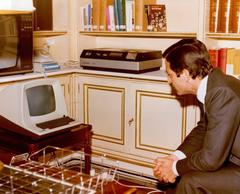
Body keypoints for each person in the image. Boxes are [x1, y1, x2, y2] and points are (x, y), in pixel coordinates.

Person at [153, 38, 240, 194]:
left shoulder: (221, 92)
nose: (168, 80)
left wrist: (174, 169)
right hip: (233, 158)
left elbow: (210, 159)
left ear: (185, 74)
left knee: (189, 181)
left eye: (170, 75)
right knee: (184, 174)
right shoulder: (211, 85)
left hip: (236, 162)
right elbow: (203, 129)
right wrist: (175, 158)